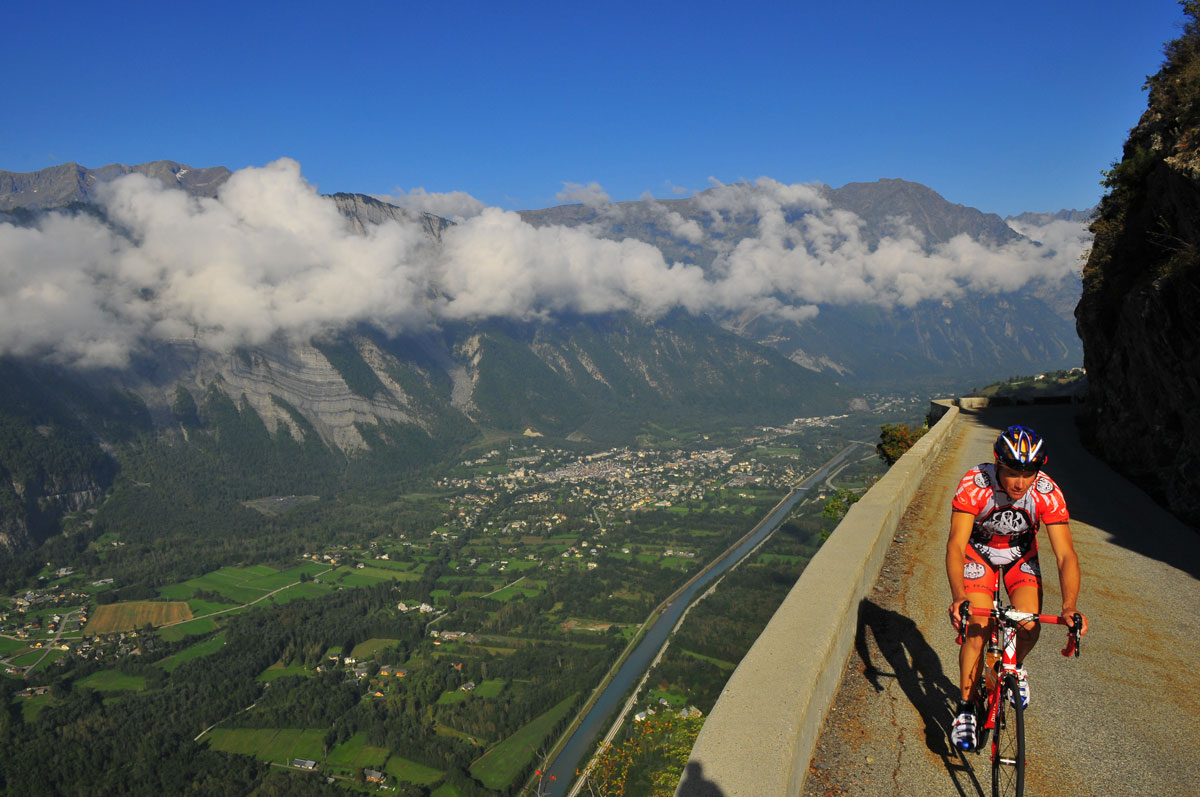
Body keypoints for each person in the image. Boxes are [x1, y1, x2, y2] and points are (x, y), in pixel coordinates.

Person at [945, 424, 1089, 750]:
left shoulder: (1046, 492)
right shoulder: (975, 484)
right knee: (978, 628)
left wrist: (1069, 606)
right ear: (997, 464)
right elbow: (955, 544)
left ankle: (1015, 667)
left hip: (1019, 558)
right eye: (1011, 473)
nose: (1020, 482)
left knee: (1028, 623)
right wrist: (959, 597)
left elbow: (1066, 555)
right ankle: (966, 708)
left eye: (1029, 473)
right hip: (977, 555)